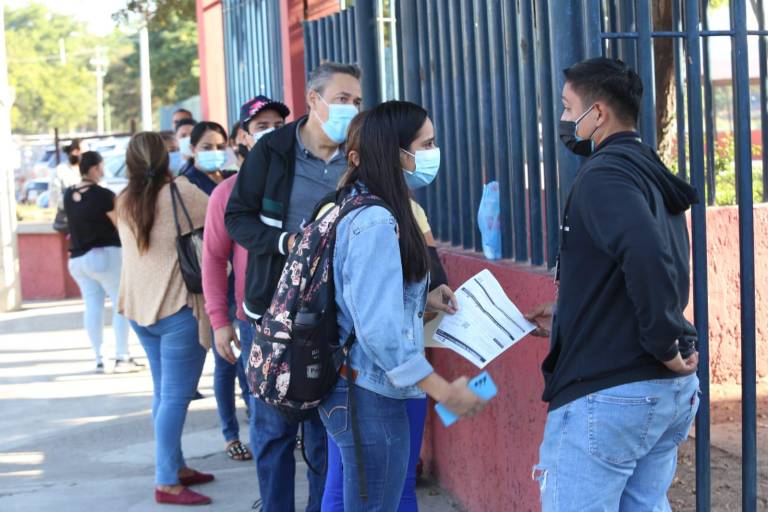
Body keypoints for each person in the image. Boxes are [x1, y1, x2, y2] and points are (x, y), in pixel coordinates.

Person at [525, 57, 700, 511]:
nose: (563, 120)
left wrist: (664, 341)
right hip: (653, 392)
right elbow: (628, 266)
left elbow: (645, 254)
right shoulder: (644, 168)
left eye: (567, 108)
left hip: (609, 391)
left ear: (597, 113)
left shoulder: (605, 174)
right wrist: (567, 313)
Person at [318, 100, 486, 511]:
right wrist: (442, 389)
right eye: (425, 143)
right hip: (369, 392)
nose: (432, 153)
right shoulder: (375, 220)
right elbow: (378, 329)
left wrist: (422, 296)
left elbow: (361, 297)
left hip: (365, 388)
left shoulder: (367, 204)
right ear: (395, 153)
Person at [225, 61, 363, 512]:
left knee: (327, 434)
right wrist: (283, 242)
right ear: (314, 99)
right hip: (270, 314)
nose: (351, 108)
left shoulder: (361, 152)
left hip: (335, 319)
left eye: (358, 100)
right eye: (343, 99)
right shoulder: (274, 151)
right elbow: (237, 218)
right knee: (273, 433)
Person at [116, 132, 214, 506]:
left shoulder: (123, 199)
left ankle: (175, 464)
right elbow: (225, 211)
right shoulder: (181, 193)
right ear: (164, 158)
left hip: (139, 310)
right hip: (177, 310)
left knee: (163, 394)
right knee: (175, 397)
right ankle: (166, 482)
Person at [64, 151, 142, 374]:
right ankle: (122, 356)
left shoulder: (68, 194)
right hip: (106, 255)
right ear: (96, 168)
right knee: (121, 303)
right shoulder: (104, 195)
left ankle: (99, 358)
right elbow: (120, 225)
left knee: (92, 307)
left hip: (78, 259)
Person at [178, 121, 236, 194]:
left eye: (220, 147)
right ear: (193, 149)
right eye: (207, 147)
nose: (215, 152)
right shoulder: (186, 184)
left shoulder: (233, 178)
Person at [49, 139, 82, 211]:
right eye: (84, 152)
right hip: (67, 216)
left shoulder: (91, 170)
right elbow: (55, 196)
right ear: (75, 152)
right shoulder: (61, 170)